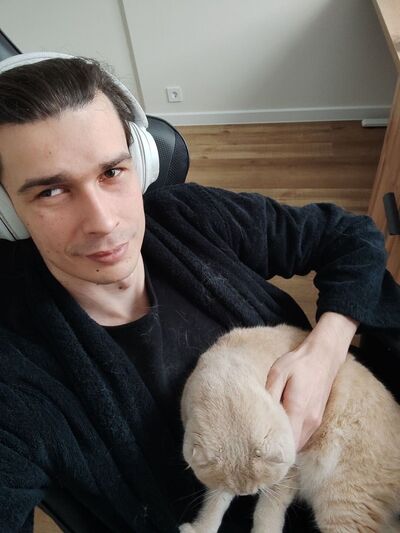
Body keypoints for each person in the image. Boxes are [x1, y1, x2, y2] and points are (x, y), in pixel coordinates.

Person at [0, 52, 399, 533]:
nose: (104, 222)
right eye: (51, 191)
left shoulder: (188, 216)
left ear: (142, 161)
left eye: (112, 172)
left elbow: (348, 237)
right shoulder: (13, 375)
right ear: (7, 211)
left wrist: (325, 352)